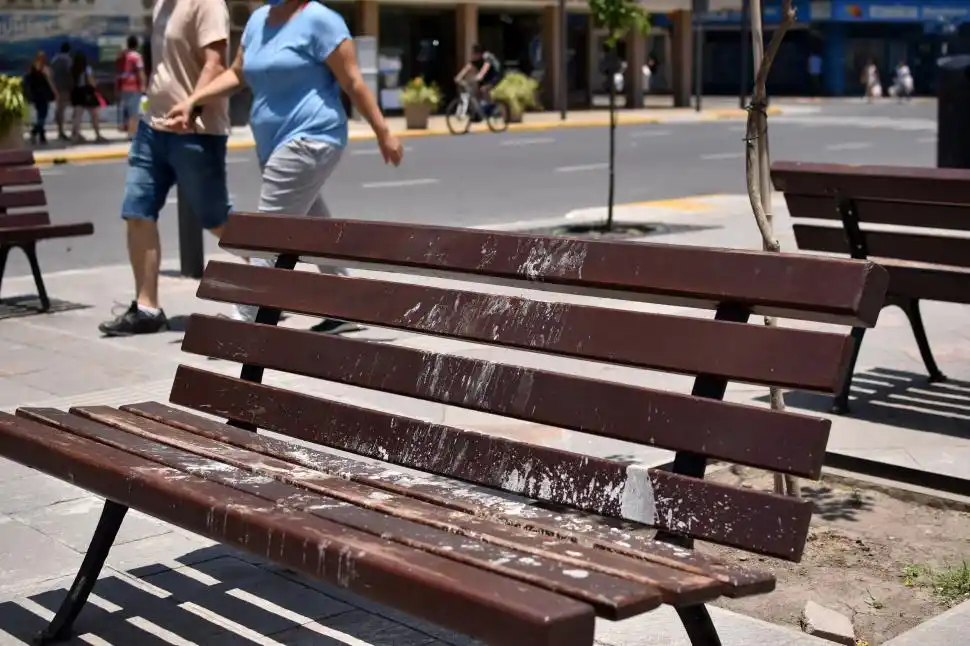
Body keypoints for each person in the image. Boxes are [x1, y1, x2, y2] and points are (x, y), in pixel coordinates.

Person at [164, 0, 403, 332]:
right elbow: (237, 73)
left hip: (311, 137)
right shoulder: (258, 20)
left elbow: (353, 82)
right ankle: (349, 305)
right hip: (272, 143)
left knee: (271, 231)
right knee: (312, 229)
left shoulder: (321, 21)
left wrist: (383, 132)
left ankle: (244, 319)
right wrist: (194, 99)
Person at [97, 0, 233, 337]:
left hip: (195, 129)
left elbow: (215, 65)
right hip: (152, 127)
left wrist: (192, 105)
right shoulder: (161, 4)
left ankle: (274, 276)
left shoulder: (207, 4)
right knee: (137, 209)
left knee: (216, 220)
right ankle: (147, 308)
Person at [69, 52, 105, 143]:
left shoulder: (73, 69)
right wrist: (95, 84)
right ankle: (98, 135)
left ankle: (76, 136)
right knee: (94, 115)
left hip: (76, 92)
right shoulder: (87, 68)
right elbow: (90, 81)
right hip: (87, 93)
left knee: (77, 116)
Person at [23, 51, 58, 145]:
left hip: (36, 95)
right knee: (42, 116)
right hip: (43, 95)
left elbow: (27, 82)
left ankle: (42, 136)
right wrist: (55, 92)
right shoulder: (45, 69)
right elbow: (50, 82)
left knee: (40, 115)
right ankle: (35, 132)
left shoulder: (32, 69)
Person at [115, 35, 146, 140]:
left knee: (126, 110)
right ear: (137, 44)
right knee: (134, 112)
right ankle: (131, 135)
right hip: (134, 87)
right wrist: (143, 85)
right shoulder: (137, 57)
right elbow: (140, 71)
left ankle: (128, 131)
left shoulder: (122, 56)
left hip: (123, 87)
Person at [50, 42, 73, 141]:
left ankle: (59, 129)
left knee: (59, 108)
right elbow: (70, 72)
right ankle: (61, 131)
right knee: (62, 109)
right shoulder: (67, 60)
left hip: (56, 87)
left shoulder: (54, 59)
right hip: (65, 87)